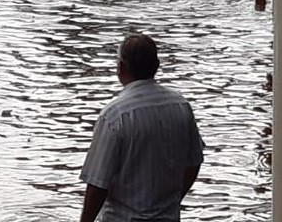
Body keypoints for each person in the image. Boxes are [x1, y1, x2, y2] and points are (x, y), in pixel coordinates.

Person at [79, 33, 204, 222]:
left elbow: (97, 184)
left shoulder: (114, 116)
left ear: (120, 67)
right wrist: (174, 200)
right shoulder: (181, 106)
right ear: (156, 66)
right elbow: (194, 162)